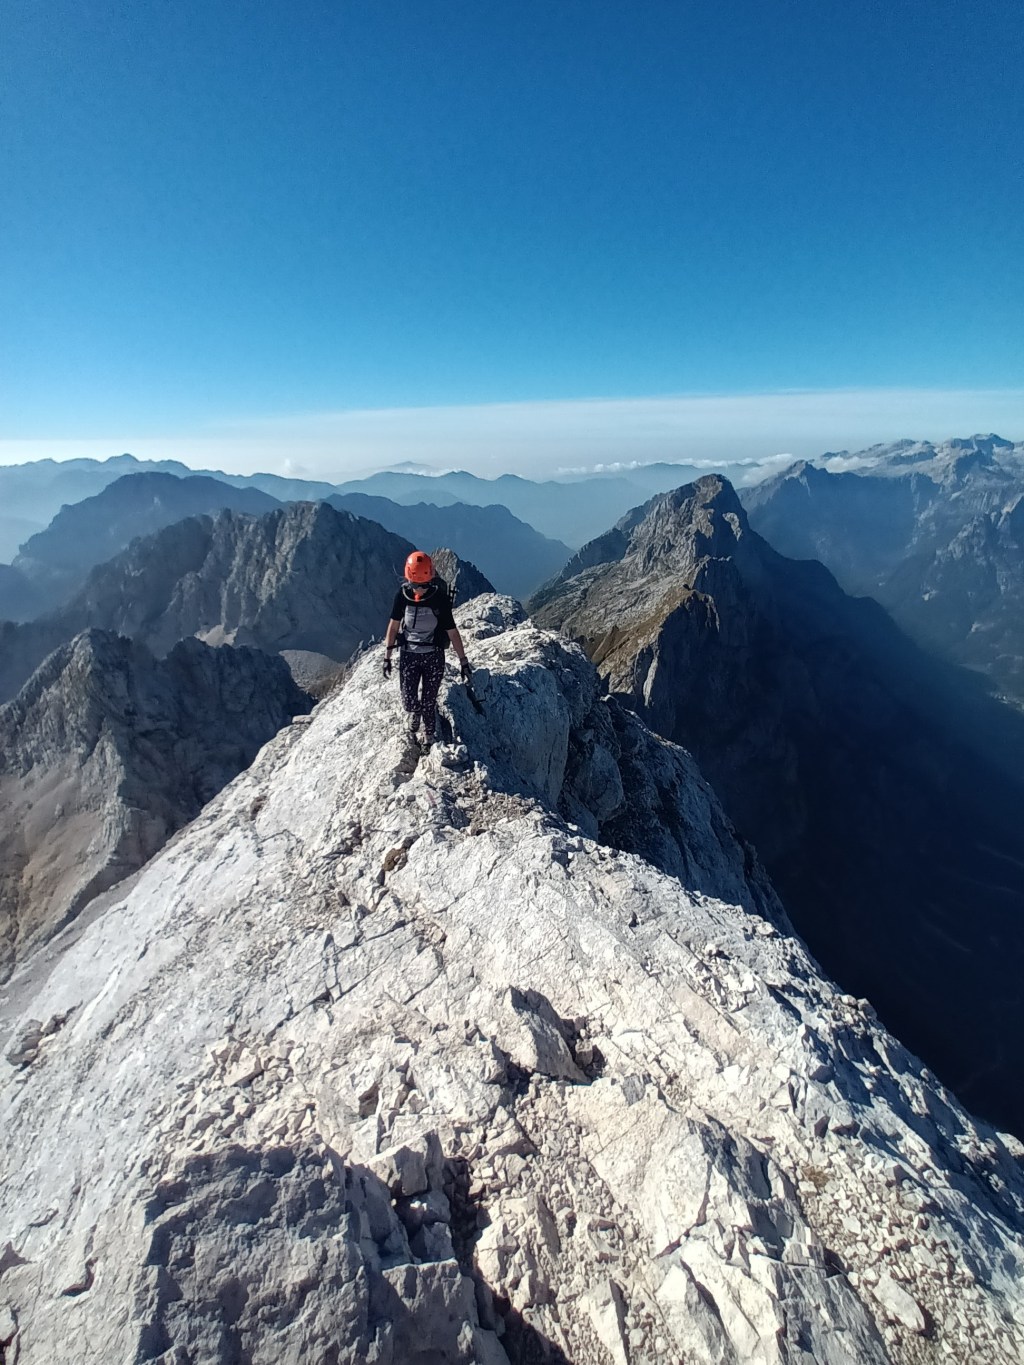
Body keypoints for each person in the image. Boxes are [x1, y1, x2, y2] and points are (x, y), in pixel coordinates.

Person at [383, 551, 472, 747]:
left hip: (432, 656)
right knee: (409, 701)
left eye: (422, 585)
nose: (419, 589)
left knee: (428, 702)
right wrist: (387, 657)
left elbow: (452, 632)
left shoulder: (438, 598)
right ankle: (415, 713)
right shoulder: (403, 595)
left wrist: (463, 661)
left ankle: (429, 737)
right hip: (409, 655)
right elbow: (393, 626)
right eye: (416, 585)